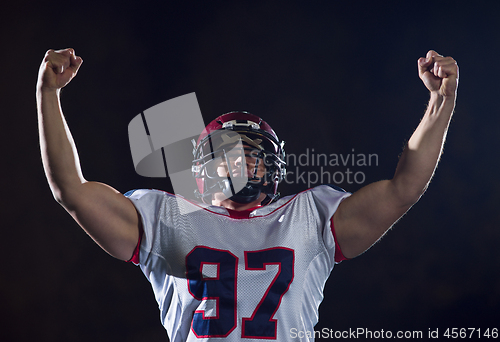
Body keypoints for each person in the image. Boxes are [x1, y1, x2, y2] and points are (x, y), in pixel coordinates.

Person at [37, 48, 458, 341]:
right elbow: (70, 189)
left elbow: (404, 188)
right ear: (202, 169)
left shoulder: (310, 215)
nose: (240, 165)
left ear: (272, 167)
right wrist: (48, 95)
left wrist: (441, 103)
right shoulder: (165, 215)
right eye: (227, 156)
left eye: (252, 157)